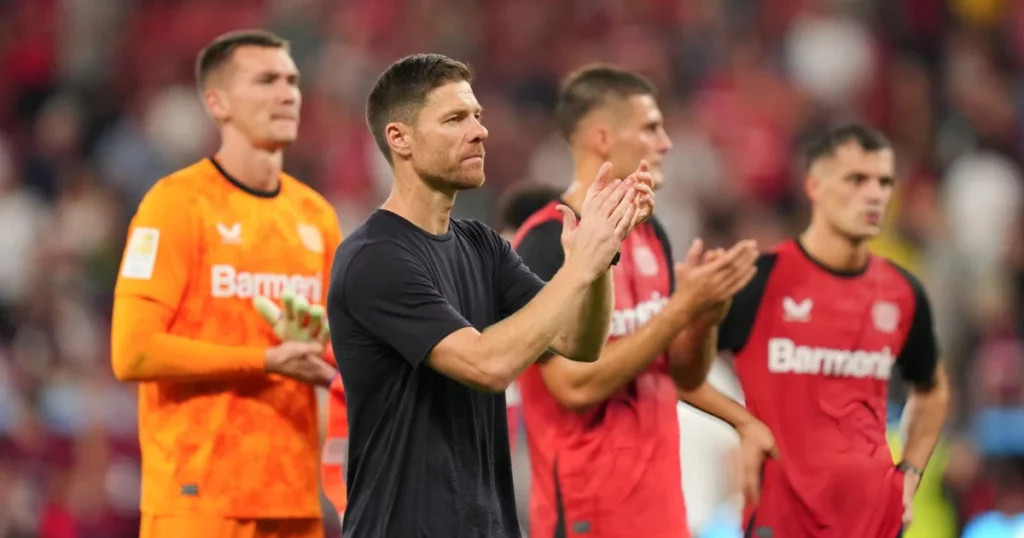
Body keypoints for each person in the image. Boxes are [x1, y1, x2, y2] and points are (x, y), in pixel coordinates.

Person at [326, 53, 653, 538]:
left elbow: (579, 344)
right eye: (455, 118)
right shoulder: (374, 258)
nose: (479, 131)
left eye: (477, 116)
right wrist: (579, 264)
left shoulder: (482, 244)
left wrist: (600, 259)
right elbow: (487, 365)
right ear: (400, 139)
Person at [511, 64, 767, 538]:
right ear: (603, 139)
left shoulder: (651, 235)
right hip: (589, 514)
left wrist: (705, 315)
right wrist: (679, 310)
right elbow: (574, 388)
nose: (666, 143)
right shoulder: (544, 244)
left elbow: (678, 373)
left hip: (663, 509)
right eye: (651, 127)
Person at [110, 30, 342, 538]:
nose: (288, 94)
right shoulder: (175, 205)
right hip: (198, 501)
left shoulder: (315, 215)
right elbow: (133, 352)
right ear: (218, 103)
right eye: (266, 80)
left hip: (294, 499)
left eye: (292, 81)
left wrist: (328, 355)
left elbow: (329, 354)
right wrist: (262, 359)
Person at [683, 123, 950, 537]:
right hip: (782, 519)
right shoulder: (760, 283)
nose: (875, 194)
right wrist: (744, 423)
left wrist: (910, 474)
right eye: (856, 180)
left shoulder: (901, 291)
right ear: (815, 187)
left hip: (871, 521)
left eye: (883, 182)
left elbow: (932, 388)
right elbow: (681, 374)